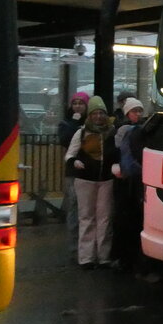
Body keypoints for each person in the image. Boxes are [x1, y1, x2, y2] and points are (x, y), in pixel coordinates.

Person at [64, 95, 120, 269]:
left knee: (105, 218)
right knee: (86, 217)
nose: (98, 116)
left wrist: (117, 164)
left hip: (106, 179)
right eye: (95, 113)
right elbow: (70, 154)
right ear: (89, 115)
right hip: (85, 179)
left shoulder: (113, 132)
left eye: (101, 113)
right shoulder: (81, 132)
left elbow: (118, 152)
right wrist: (74, 162)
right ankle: (86, 257)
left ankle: (103, 257)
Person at [112, 97, 148, 274]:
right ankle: (129, 259)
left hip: (130, 180)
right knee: (129, 219)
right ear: (127, 113)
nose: (138, 114)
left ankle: (127, 258)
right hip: (130, 181)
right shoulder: (128, 130)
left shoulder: (133, 130)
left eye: (140, 110)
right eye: (135, 111)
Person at [56, 91, 89, 264]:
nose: (77, 106)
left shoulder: (91, 123)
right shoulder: (66, 123)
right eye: (75, 103)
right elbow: (64, 140)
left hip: (89, 170)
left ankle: (87, 248)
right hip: (73, 172)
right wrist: (75, 123)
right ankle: (74, 249)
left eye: (81, 103)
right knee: (74, 208)